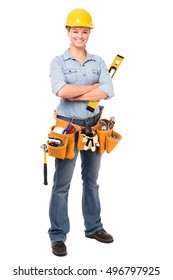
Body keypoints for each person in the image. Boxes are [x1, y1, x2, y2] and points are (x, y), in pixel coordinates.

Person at [48, 8, 114, 257]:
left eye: (84, 31)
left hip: (94, 128)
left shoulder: (98, 61)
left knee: (92, 181)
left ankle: (93, 227)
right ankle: (57, 235)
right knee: (62, 184)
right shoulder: (58, 62)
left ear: (89, 33)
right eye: (75, 30)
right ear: (68, 32)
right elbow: (60, 91)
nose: (80, 35)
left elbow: (108, 90)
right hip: (68, 129)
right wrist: (93, 87)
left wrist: (78, 90)